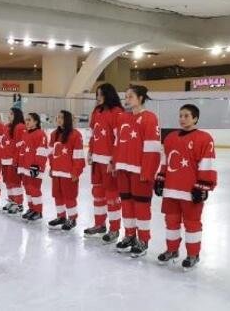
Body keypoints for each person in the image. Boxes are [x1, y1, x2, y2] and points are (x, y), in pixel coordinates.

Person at [154, 104, 217, 270]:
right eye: (180, 115)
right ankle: (172, 250)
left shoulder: (204, 138)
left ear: (195, 118)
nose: (182, 119)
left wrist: (203, 186)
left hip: (190, 190)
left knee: (192, 223)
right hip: (171, 189)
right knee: (171, 221)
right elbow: (165, 161)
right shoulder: (170, 138)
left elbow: (207, 164)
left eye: (186, 116)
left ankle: (193, 254)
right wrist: (161, 178)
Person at [111, 85, 161, 257]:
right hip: (123, 169)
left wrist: (148, 171)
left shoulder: (150, 118)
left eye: (130, 96)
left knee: (141, 206)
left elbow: (153, 149)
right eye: (126, 96)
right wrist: (114, 162)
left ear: (140, 98)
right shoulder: (122, 117)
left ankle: (143, 239)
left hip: (140, 171)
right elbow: (117, 142)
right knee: (126, 204)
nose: (127, 99)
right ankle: (130, 235)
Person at [85, 83, 124, 242]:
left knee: (111, 196)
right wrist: (90, 151)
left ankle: (114, 228)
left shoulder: (117, 112)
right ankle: (99, 224)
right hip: (96, 161)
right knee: (98, 194)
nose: (98, 97)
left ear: (109, 94)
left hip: (109, 161)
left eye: (101, 94)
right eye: (97, 94)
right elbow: (93, 135)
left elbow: (119, 139)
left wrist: (113, 160)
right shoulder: (96, 111)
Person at [47, 110, 85, 231]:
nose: (58, 119)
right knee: (57, 195)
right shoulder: (53, 134)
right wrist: (52, 168)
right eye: (57, 117)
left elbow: (79, 156)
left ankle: (72, 218)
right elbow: (51, 153)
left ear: (67, 119)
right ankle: (61, 216)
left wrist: (76, 171)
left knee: (69, 196)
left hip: (69, 173)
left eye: (61, 117)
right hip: (57, 171)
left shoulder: (75, 134)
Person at [17, 112, 48, 221]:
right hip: (25, 167)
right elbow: (22, 151)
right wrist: (20, 164)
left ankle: (38, 211)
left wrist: (37, 166)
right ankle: (31, 209)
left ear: (36, 121)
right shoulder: (25, 134)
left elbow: (42, 152)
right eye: (26, 120)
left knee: (34, 189)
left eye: (29, 120)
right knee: (28, 189)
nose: (27, 122)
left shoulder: (40, 134)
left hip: (34, 168)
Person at [1, 108, 26, 214]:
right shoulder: (7, 127)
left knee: (15, 183)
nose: (9, 115)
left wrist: (16, 160)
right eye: (9, 113)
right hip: (5, 159)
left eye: (11, 114)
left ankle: (18, 204)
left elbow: (20, 145)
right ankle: (12, 200)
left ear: (17, 115)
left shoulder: (20, 127)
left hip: (13, 160)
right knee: (8, 182)